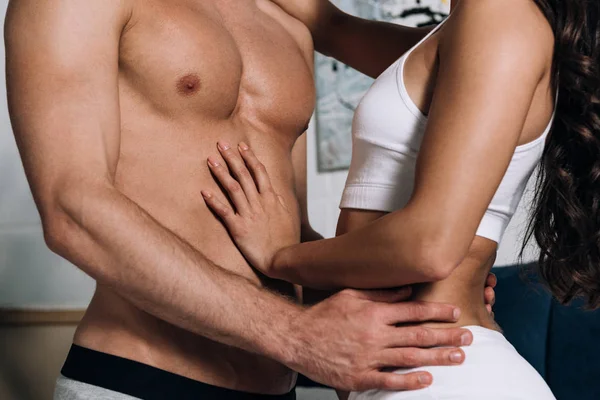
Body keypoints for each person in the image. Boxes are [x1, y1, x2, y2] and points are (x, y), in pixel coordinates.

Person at [4, 0, 499, 399]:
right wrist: (295, 335)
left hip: (279, 382)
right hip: (138, 378)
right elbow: (73, 208)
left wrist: (404, 295)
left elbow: (289, 234)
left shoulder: (288, 21)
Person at [201, 0, 600, 399]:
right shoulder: (466, 31)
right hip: (425, 372)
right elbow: (332, 27)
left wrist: (280, 256)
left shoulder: (499, 15)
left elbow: (430, 245)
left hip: (444, 377)